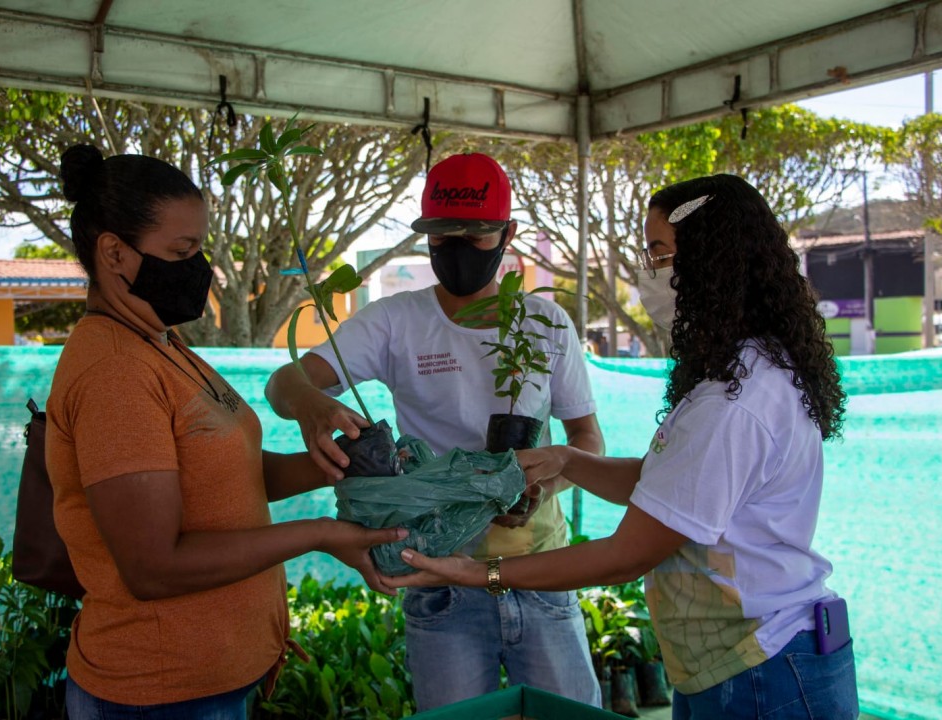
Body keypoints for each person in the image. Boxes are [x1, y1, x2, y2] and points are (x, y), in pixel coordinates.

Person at [386, 174, 859, 720]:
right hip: (743, 660)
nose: (648, 273)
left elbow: (627, 554)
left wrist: (479, 573)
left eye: (658, 254)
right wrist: (567, 459)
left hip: (763, 674)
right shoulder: (745, 372)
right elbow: (674, 492)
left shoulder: (735, 403)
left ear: (711, 258)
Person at [47, 144, 405, 719]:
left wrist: (333, 461)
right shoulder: (115, 371)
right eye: (181, 251)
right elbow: (154, 566)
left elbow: (230, 473)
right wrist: (318, 533)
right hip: (158, 693)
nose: (199, 268)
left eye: (200, 249)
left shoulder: (163, 344)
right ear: (113, 252)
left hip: (212, 682)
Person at [265, 152, 606, 711]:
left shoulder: (543, 324)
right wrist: (312, 405)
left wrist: (546, 484)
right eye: (442, 232)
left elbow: (588, 443)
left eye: (476, 233)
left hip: (537, 569)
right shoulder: (395, 321)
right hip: (436, 576)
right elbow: (283, 383)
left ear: (508, 233)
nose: (457, 246)